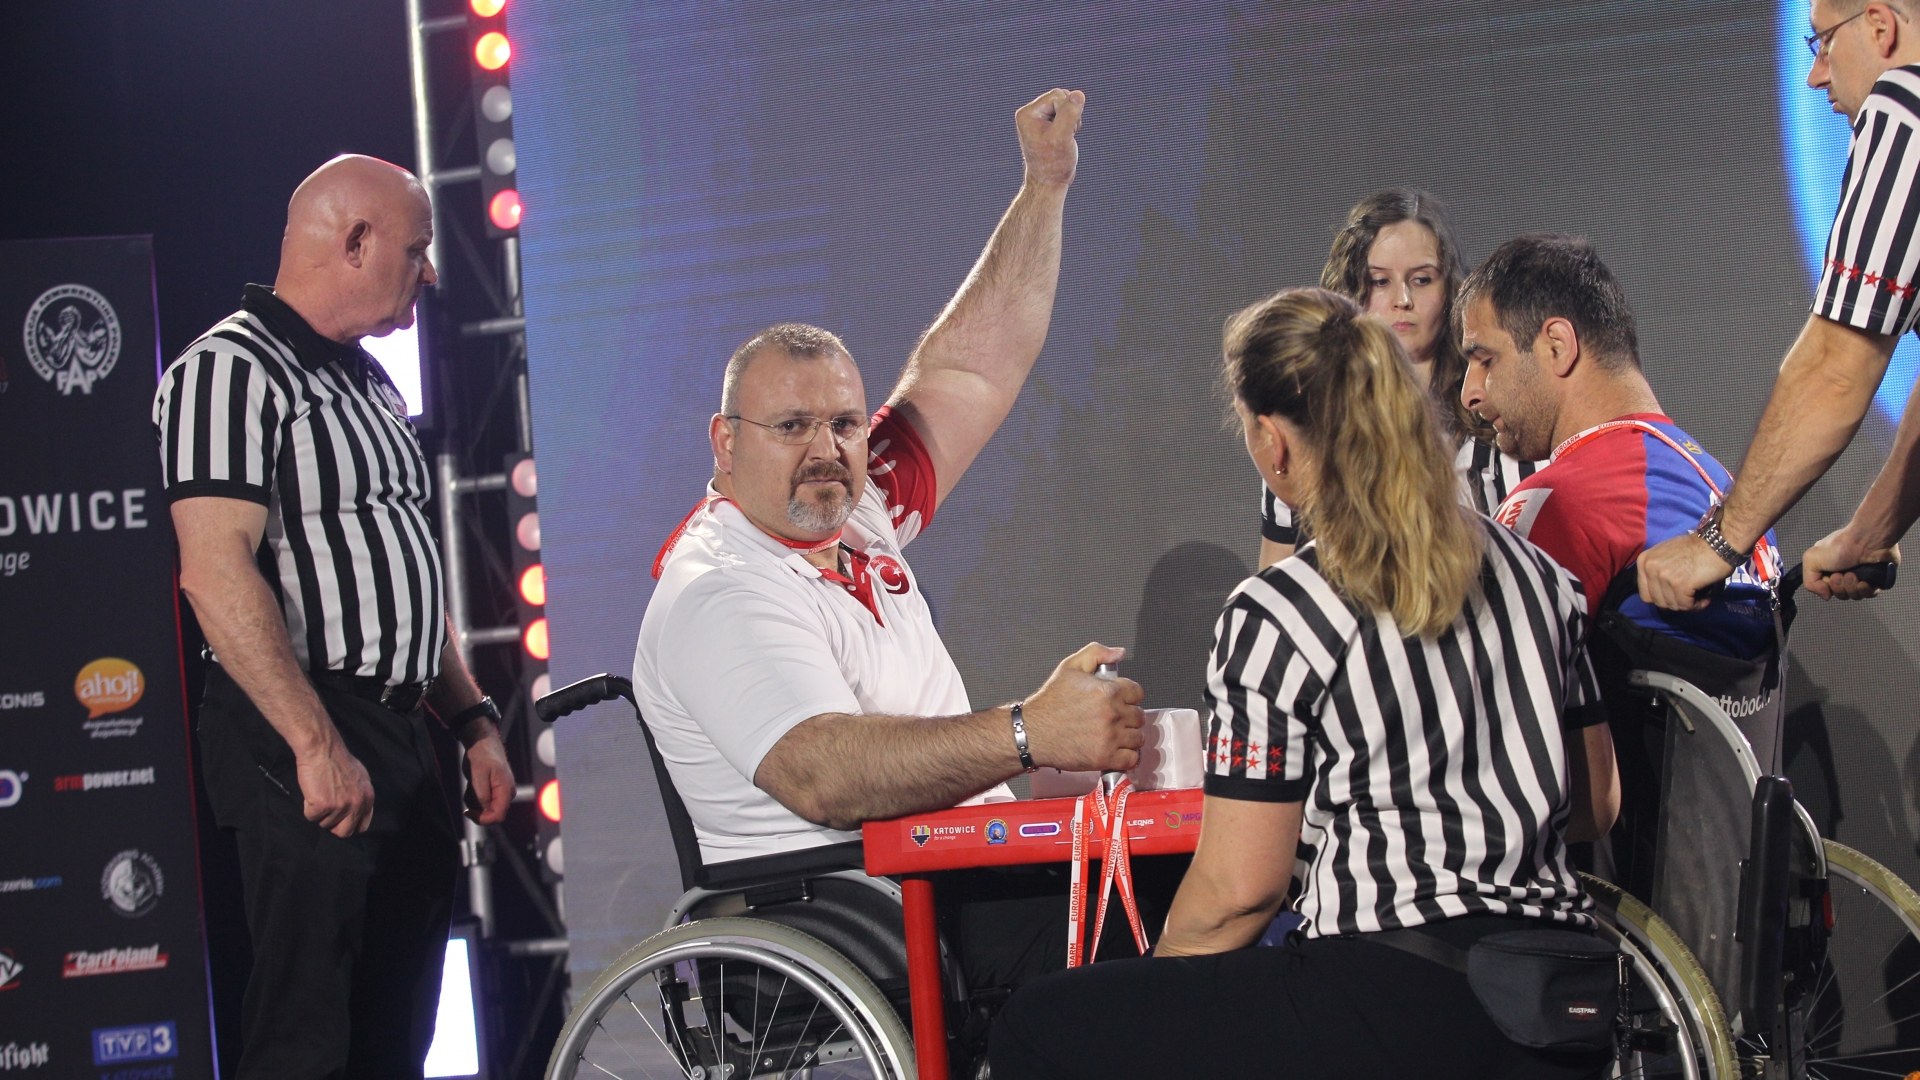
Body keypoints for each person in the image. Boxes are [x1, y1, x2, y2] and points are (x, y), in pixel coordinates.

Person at [989, 287, 1619, 1080]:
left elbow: (1240, 891)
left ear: (1273, 444)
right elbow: (1598, 804)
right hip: (1557, 1004)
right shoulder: (1541, 579)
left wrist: (1171, 976)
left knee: (1041, 1029)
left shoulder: (1282, 609)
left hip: (1393, 1001)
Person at [633, 90, 1145, 988]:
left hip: (957, 879)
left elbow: (971, 368)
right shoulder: (718, 588)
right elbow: (824, 775)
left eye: (844, 423)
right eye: (791, 427)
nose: (827, 451)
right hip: (865, 914)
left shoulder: (855, 507)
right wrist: (1028, 732)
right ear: (724, 442)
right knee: (1159, 935)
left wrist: (1044, 186)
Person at [152, 155, 515, 1080]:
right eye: (416, 249)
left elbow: (401, 576)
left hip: (398, 731)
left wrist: (470, 718)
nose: (429, 272)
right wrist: (313, 743)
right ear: (354, 241)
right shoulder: (227, 369)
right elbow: (214, 570)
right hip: (298, 723)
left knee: (400, 1030)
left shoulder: (373, 384)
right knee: (308, 1033)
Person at [1458, 233, 1783, 903]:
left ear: (1556, 345)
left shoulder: (1559, 499)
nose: (1469, 392)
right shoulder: (1726, 490)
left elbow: (1486, 716)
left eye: (1484, 360)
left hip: (1607, 887)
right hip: (1733, 896)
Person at [1639, 0, 1920, 609]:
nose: (1816, 74)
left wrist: (1716, 542)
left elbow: (1836, 364)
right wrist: (1871, 531)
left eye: (1821, 43)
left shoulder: (1904, 109)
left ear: (1880, 26)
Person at [1258, 187, 1534, 565]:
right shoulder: (1308, 427)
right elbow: (1277, 588)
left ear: (1450, 287)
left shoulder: (1500, 419)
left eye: (1421, 280)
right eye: (1380, 281)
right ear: (1351, 290)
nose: (1402, 299)